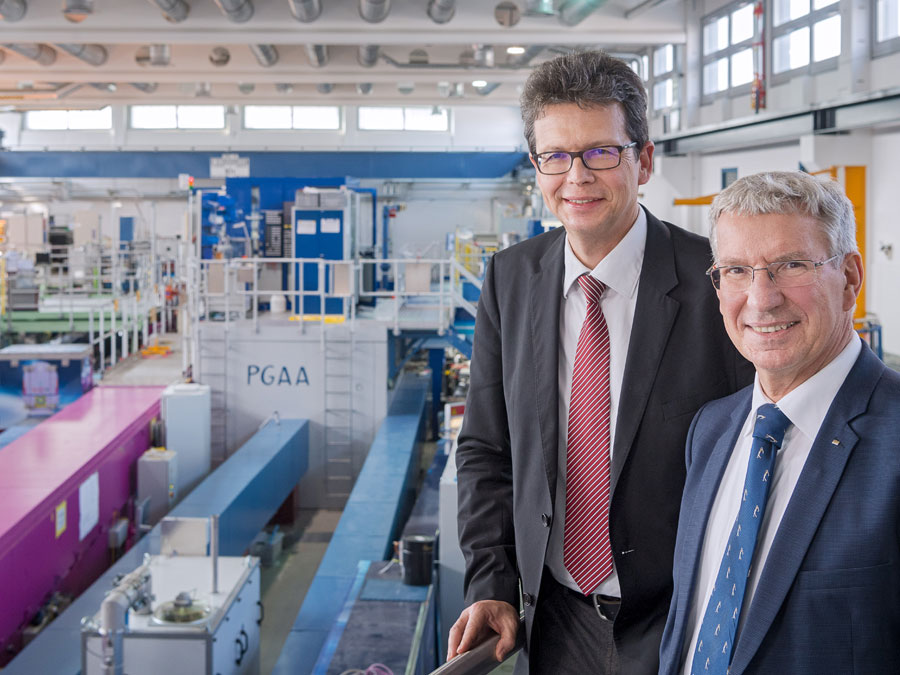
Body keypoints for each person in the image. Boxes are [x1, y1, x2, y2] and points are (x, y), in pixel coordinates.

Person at [448, 50, 753, 675]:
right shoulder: (511, 278)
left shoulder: (715, 283)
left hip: (683, 619)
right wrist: (491, 580)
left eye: (600, 152)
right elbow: (486, 447)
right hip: (553, 617)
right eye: (555, 157)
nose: (576, 176)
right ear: (536, 167)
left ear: (643, 160)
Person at [659, 170, 900, 675]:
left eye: (791, 265)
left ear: (851, 277)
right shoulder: (711, 431)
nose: (761, 298)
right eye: (737, 271)